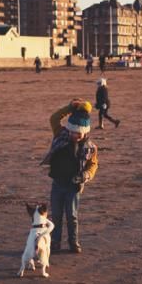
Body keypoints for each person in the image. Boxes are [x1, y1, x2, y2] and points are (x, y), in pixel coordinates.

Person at [40, 100, 99, 254]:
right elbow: (54, 118)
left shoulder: (91, 147)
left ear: (85, 132)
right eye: (72, 131)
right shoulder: (61, 134)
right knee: (57, 215)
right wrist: (69, 108)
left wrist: (86, 175)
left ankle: (74, 242)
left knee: (72, 216)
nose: (74, 135)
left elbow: (93, 165)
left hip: (74, 187)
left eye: (78, 133)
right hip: (58, 183)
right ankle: (55, 242)